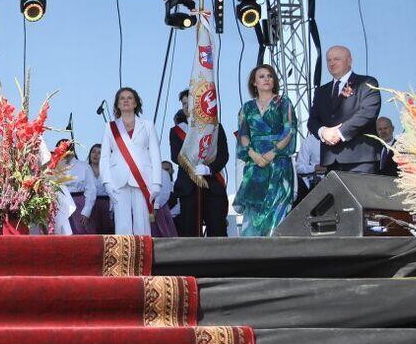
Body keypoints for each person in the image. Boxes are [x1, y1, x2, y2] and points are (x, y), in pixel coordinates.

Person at [235, 64, 299, 237]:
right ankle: (253, 250)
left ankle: (275, 249)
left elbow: (289, 131)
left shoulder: (283, 102)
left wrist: (273, 153)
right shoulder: (247, 107)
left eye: (270, 76)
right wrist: (253, 154)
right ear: (254, 82)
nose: (266, 79)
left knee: (277, 208)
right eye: (261, 76)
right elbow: (243, 134)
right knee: (254, 211)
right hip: (255, 165)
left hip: (278, 163)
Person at [100, 87, 170, 235]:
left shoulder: (147, 125)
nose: (126, 100)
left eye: (130, 98)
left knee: (142, 223)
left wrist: (157, 183)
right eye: (122, 98)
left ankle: (143, 250)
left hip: (143, 178)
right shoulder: (110, 127)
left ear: (136, 103)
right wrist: (106, 182)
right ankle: (124, 250)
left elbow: (155, 156)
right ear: (117, 104)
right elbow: (104, 157)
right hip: (118, 179)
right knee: (122, 224)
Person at [307, 45, 382, 174]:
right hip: (332, 160)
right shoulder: (321, 91)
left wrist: (339, 132)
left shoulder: (366, 83)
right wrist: (323, 132)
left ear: (349, 61)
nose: (332, 63)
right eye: (329, 60)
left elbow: (368, 112)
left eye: (336, 59)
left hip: (360, 158)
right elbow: (312, 120)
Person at [170, 92, 230, 237]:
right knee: (190, 234)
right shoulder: (176, 131)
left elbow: (223, 155)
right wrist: (192, 165)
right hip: (188, 187)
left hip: (213, 185)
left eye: (190, 103)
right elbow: (175, 156)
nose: (187, 107)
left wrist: (209, 169)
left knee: (217, 230)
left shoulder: (215, 127)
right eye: (184, 104)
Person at [59, 139, 97, 235]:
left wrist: (86, 211)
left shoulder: (84, 166)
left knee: (80, 232)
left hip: (78, 202)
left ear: (71, 151)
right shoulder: (56, 167)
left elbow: (91, 190)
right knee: (63, 233)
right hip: (61, 202)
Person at [86, 143, 113, 234]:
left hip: (106, 203)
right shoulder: (85, 168)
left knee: (107, 231)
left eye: (99, 153)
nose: (95, 155)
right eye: (93, 152)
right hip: (89, 204)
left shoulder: (108, 170)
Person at [294, 132, 326, 204]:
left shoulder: (338, 137)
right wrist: (314, 168)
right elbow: (299, 167)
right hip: (318, 184)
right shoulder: (309, 141)